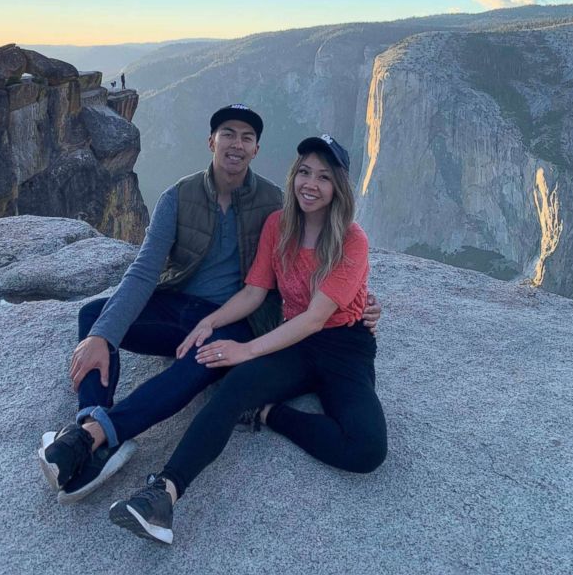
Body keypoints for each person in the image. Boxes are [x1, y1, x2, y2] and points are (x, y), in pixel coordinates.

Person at [38, 107, 382, 505]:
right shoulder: (183, 198)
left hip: (244, 323)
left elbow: (319, 282)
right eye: (227, 134)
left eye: (246, 137)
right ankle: (91, 429)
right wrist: (102, 335)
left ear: (256, 149)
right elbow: (144, 272)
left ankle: (97, 437)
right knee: (94, 317)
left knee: (204, 361)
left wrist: (364, 304)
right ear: (211, 141)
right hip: (187, 308)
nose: (236, 144)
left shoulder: (274, 203)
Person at [108, 134, 387, 545]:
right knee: (234, 384)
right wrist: (212, 322)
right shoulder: (279, 226)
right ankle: (162, 493)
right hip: (294, 345)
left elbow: (314, 319)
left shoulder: (351, 239)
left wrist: (248, 349)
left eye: (324, 178)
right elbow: (255, 291)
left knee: (367, 450)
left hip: (344, 346)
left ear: (338, 188)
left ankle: (268, 414)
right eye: (305, 172)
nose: (311, 184)